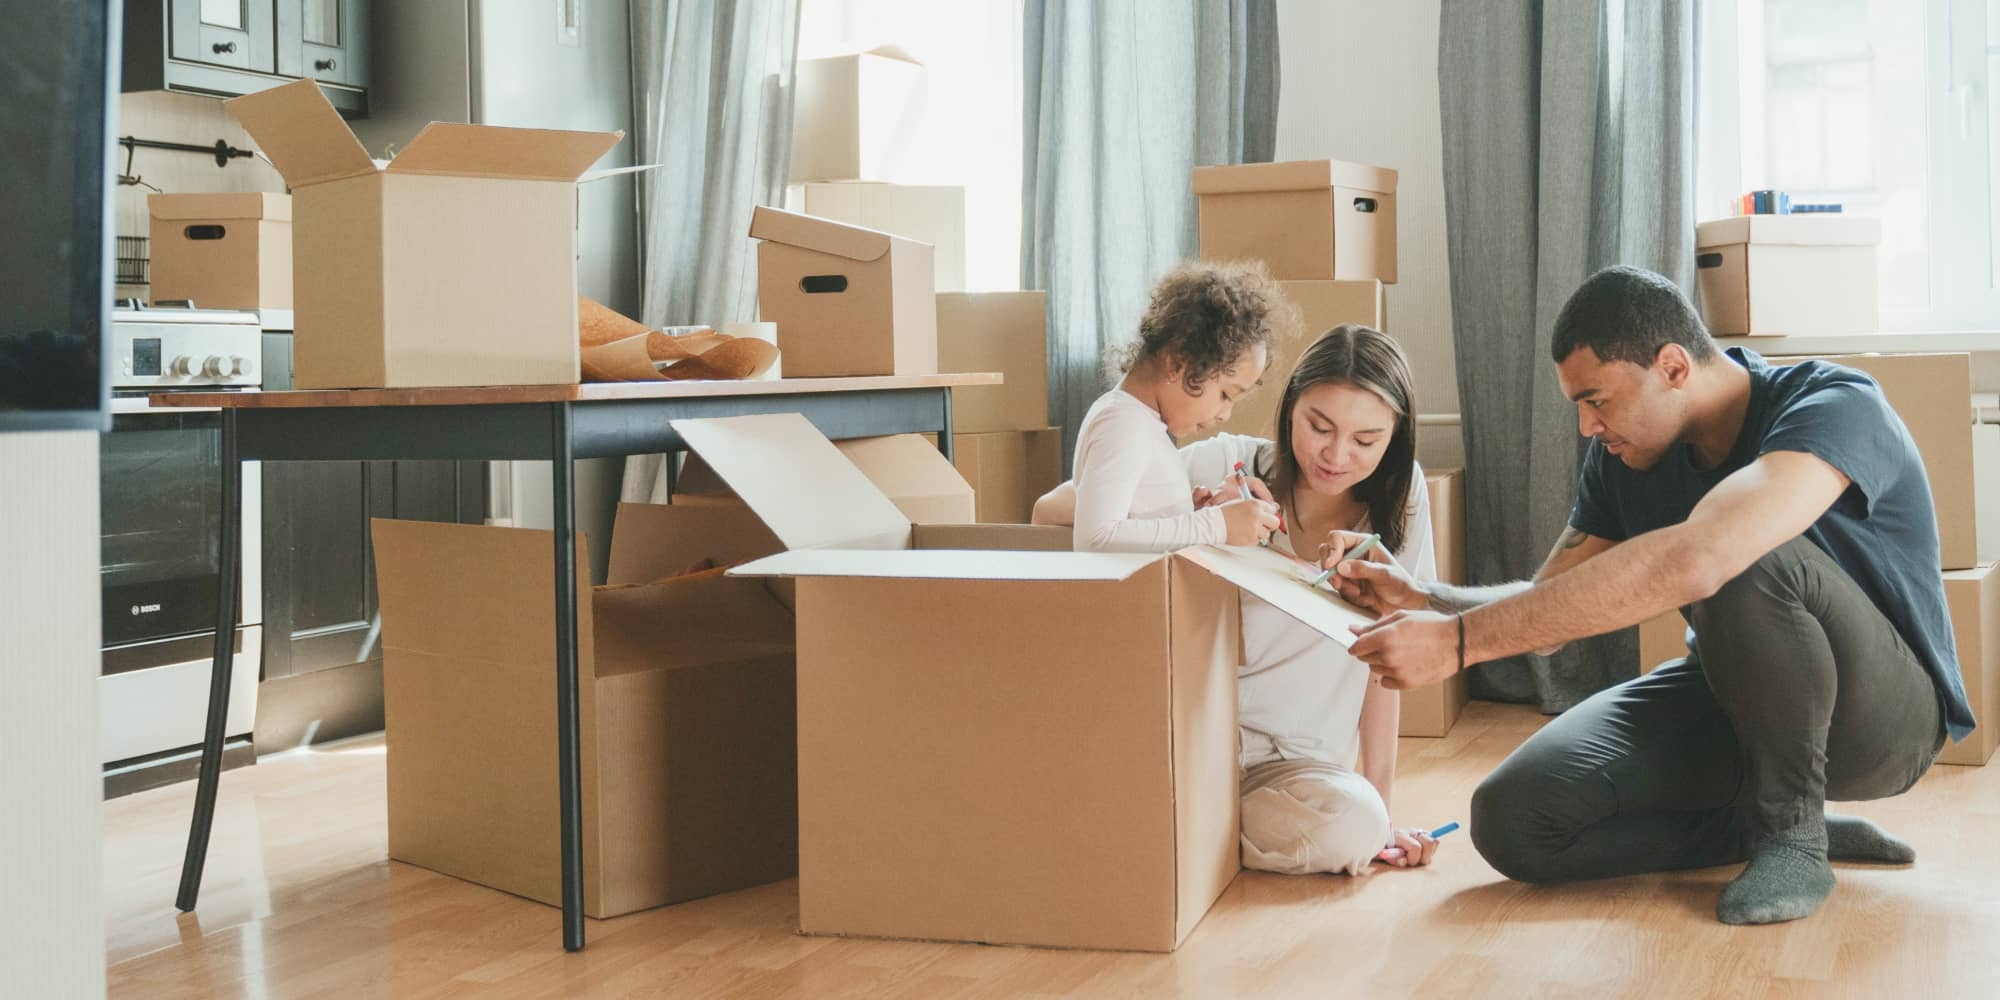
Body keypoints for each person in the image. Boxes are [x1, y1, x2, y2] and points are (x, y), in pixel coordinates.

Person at [1327, 265, 1972, 923]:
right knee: (1514, 819)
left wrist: (1459, 645)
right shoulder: (1622, 458)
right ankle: (1754, 827)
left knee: (1741, 552)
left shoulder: (1835, 404)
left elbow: (1708, 555)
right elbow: (1550, 605)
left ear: (1672, 367)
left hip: (1884, 720)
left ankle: (1792, 836)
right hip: (1732, 697)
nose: (1585, 427)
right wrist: (1426, 600)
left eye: (1597, 399)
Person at [1038, 324, 1446, 874]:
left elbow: (1387, 662)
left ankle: (1182, 834)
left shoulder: (1403, 503)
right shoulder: (1225, 464)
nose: (1336, 454)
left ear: (1394, 438)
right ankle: (1186, 829)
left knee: (1357, 824)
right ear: (1289, 408)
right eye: (1318, 426)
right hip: (1193, 744)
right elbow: (1052, 510)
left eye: (1366, 441)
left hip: (1297, 770)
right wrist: (1201, 518)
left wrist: (1383, 811)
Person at [1068, 260, 1284, 552]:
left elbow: (1136, 527)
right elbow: (1095, 539)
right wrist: (1216, 525)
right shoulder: (1122, 423)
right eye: (1225, 394)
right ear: (1178, 362)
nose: (1225, 414)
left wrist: (1189, 516)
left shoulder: (1140, 423)